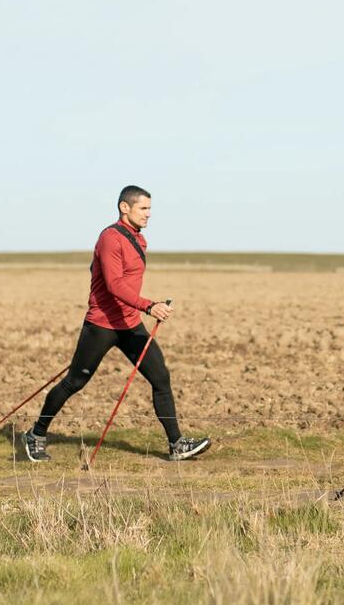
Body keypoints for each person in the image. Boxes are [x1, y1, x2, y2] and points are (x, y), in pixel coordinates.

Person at [18, 185, 211, 463]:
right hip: (103, 325)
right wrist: (149, 305)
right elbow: (114, 284)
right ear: (125, 207)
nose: (149, 214)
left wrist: (144, 308)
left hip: (130, 324)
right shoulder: (110, 238)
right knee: (75, 381)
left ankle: (176, 444)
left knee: (160, 377)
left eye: (149, 208)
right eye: (143, 208)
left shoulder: (138, 239)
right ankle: (35, 435)